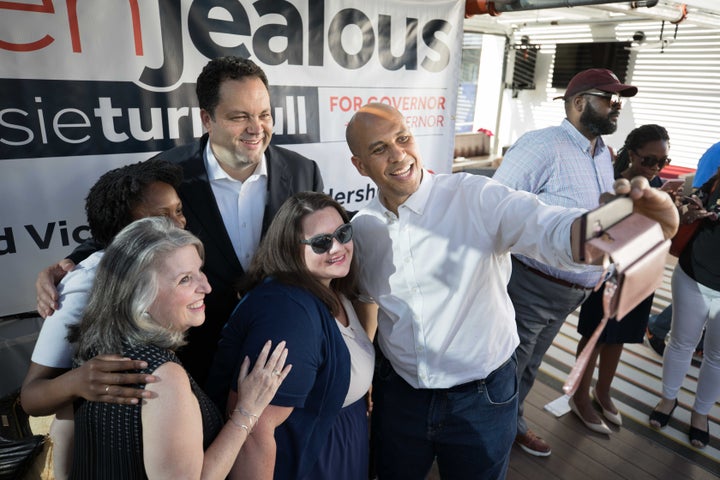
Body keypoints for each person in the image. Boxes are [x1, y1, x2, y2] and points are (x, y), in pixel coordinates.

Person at [344, 102, 677, 480]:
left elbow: (550, 229)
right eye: (379, 148)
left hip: (482, 400)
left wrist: (627, 229)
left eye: (402, 138)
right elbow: (370, 303)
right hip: (400, 398)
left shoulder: (474, 196)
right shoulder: (363, 228)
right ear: (360, 166)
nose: (398, 154)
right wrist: (367, 378)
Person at [34, 56, 324, 386]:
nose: (256, 128)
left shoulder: (304, 172)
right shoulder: (169, 175)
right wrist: (70, 263)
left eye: (264, 114)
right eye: (239, 116)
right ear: (207, 119)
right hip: (195, 357)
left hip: (282, 349)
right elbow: (123, 231)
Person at [66, 216, 291, 479]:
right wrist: (247, 411)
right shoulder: (163, 378)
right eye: (185, 279)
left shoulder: (94, 353)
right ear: (141, 294)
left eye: (200, 271)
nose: (206, 287)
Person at [492, 68, 638, 450]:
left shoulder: (603, 154)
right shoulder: (541, 146)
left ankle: (509, 427)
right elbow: (494, 209)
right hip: (531, 286)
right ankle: (486, 442)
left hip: (576, 290)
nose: (616, 107)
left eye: (618, 100)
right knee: (507, 367)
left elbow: (597, 217)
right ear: (578, 103)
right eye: (608, 99)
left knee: (530, 365)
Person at [21, 159, 186, 479]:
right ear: (123, 232)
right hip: (103, 454)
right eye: (160, 218)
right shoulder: (89, 283)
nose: (178, 225)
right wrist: (78, 381)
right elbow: (31, 397)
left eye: (178, 211)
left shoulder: (169, 262)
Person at [206, 192, 373, 480]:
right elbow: (254, 430)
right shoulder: (289, 314)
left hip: (341, 448)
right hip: (311, 464)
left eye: (343, 233)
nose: (337, 247)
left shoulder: (332, 287)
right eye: (321, 242)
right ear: (289, 249)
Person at [572, 124, 671, 431]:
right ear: (632, 155)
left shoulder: (658, 188)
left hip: (640, 272)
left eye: (662, 162)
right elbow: (597, 236)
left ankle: (603, 391)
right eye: (649, 161)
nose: (655, 168)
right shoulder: (613, 185)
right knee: (596, 337)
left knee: (623, 336)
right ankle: (579, 397)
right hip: (608, 274)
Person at [649, 167, 720, 449]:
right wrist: (690, 212)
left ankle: (700, 414)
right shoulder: (712, 182)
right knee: (680, 342)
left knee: (717, 356)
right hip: (693, 274)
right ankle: (668, 399)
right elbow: (683, 212)